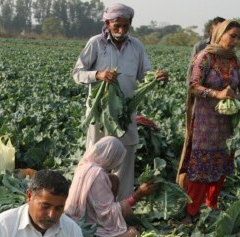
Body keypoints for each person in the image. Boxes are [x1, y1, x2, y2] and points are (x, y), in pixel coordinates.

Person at [72, 3, 169, 201]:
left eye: (126, 26)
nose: (121, 30)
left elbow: (145, 74)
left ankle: (122, 206)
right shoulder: (96, 43)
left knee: (125, 158)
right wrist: (98, 74)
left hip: (125, 113)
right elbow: (77, 73)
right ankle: (91, 202)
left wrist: (156, 77)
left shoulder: (136, 46)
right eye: (117, 26)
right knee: (95, 159)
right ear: (108, 23)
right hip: (100, 114)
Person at [177, 20, 240, 224]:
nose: (235, 41)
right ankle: (191, 212)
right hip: (205, 124)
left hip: (226, 125)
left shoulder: (234, 61)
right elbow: (193, 86)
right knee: (200, 167)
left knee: (220, 165)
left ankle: (211, 206)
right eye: (232, 36)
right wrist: (216, 94)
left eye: (238, 38)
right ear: (220, 34)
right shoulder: (205, 56)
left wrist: (237, 98)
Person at [65, 136, 158, 237]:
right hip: (86, 226)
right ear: (110, 156)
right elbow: (106, 213)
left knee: (113, 178)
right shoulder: (98, 174)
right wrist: (138, 194)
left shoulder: (84, 165)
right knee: (134, 234)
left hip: (71, 218)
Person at [187, 17, 225, 85]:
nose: (221, 32)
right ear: (212, 29)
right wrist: (190, 88)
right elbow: (192, 69)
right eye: (219, 29)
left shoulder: (226, 48)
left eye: (224, 30)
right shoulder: (200, 46)